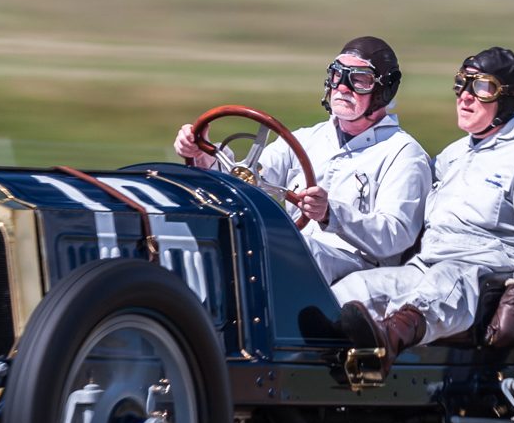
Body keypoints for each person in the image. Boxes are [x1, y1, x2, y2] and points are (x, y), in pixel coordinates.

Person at [334, 46, 514, 370]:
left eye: (481, 87)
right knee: (354, 289)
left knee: (442, 287)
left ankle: (381, 349)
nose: (465, 97)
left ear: (508, 98)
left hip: (481, 273)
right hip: (423, 267)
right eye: (461, 84)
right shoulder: (453, 156)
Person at [174, 36, 431, 285]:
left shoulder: (403, 153)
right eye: (336, 76)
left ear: (384, 89)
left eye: (359, 81)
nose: (342, 88)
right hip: (295, 249)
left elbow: (395, 236)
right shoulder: (307, 139)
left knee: (288, 248)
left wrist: (331, 213)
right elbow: (246, 180)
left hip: (359, 267)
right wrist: (204, 154)